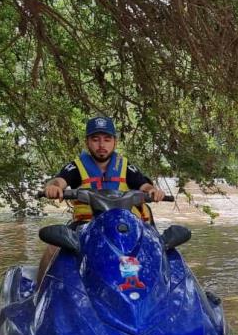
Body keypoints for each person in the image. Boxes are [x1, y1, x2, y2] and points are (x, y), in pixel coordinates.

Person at [38, 116, 166, 277]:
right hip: (85, 226)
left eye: (107, 139)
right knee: (53, 248)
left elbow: (144, 186)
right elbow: (59, 180)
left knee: (156, 246)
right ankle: (38, 292)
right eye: (95, 139)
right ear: (87, 142)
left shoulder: (126, 167)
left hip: (124, 225)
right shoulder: (76, 166)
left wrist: (153, 191)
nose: (101, 145)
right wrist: (53, 187)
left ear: (115, 142)